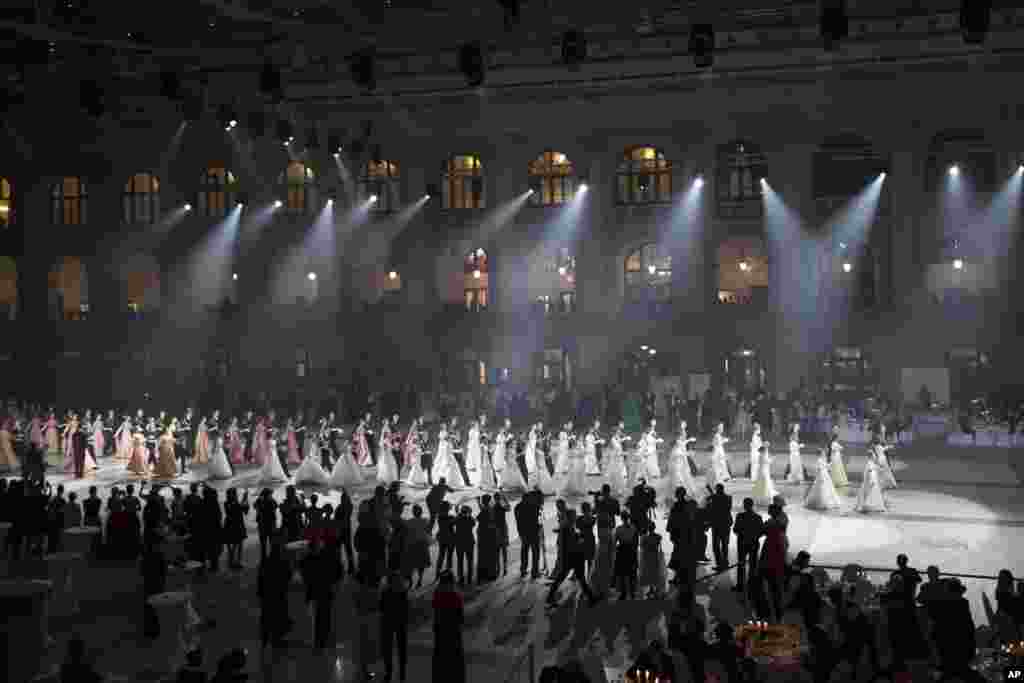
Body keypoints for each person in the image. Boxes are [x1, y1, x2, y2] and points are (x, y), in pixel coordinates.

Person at [432, 570, 466, 683]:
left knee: (439, 656)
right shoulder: (456, 595)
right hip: (453, 630)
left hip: (440, 628)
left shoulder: (437, 593)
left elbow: (435, 609)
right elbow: (460, 616)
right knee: (456, 657)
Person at [379, 570, 410, 683]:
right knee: (401, 647)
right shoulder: (402, 592)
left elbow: (381, 607)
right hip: (400, 623)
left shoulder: (385, 592)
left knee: (387, 648)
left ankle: (389, 671)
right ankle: (402, 671)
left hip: (388, 623)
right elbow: (406, 608)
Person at [733, 497, 764, 594]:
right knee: (753, 565)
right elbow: (761, 532)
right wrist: (753, 537)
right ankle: (751, 585)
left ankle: (740, 585)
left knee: (741, 564)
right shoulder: (758, 517)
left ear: (744, 505)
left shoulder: (740, 516)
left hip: (742, 543)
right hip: (754, 543)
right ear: (752, 505)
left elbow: (735, 530)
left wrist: (743, 535)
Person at [707, 484, 733, 572]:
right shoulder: (729, 497)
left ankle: (720, 564)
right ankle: (725, 563)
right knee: (725, 545)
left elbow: (711, 507)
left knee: (716, 545)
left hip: (716, 524)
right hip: (725, 524)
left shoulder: (714, 498)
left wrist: (711, 497)